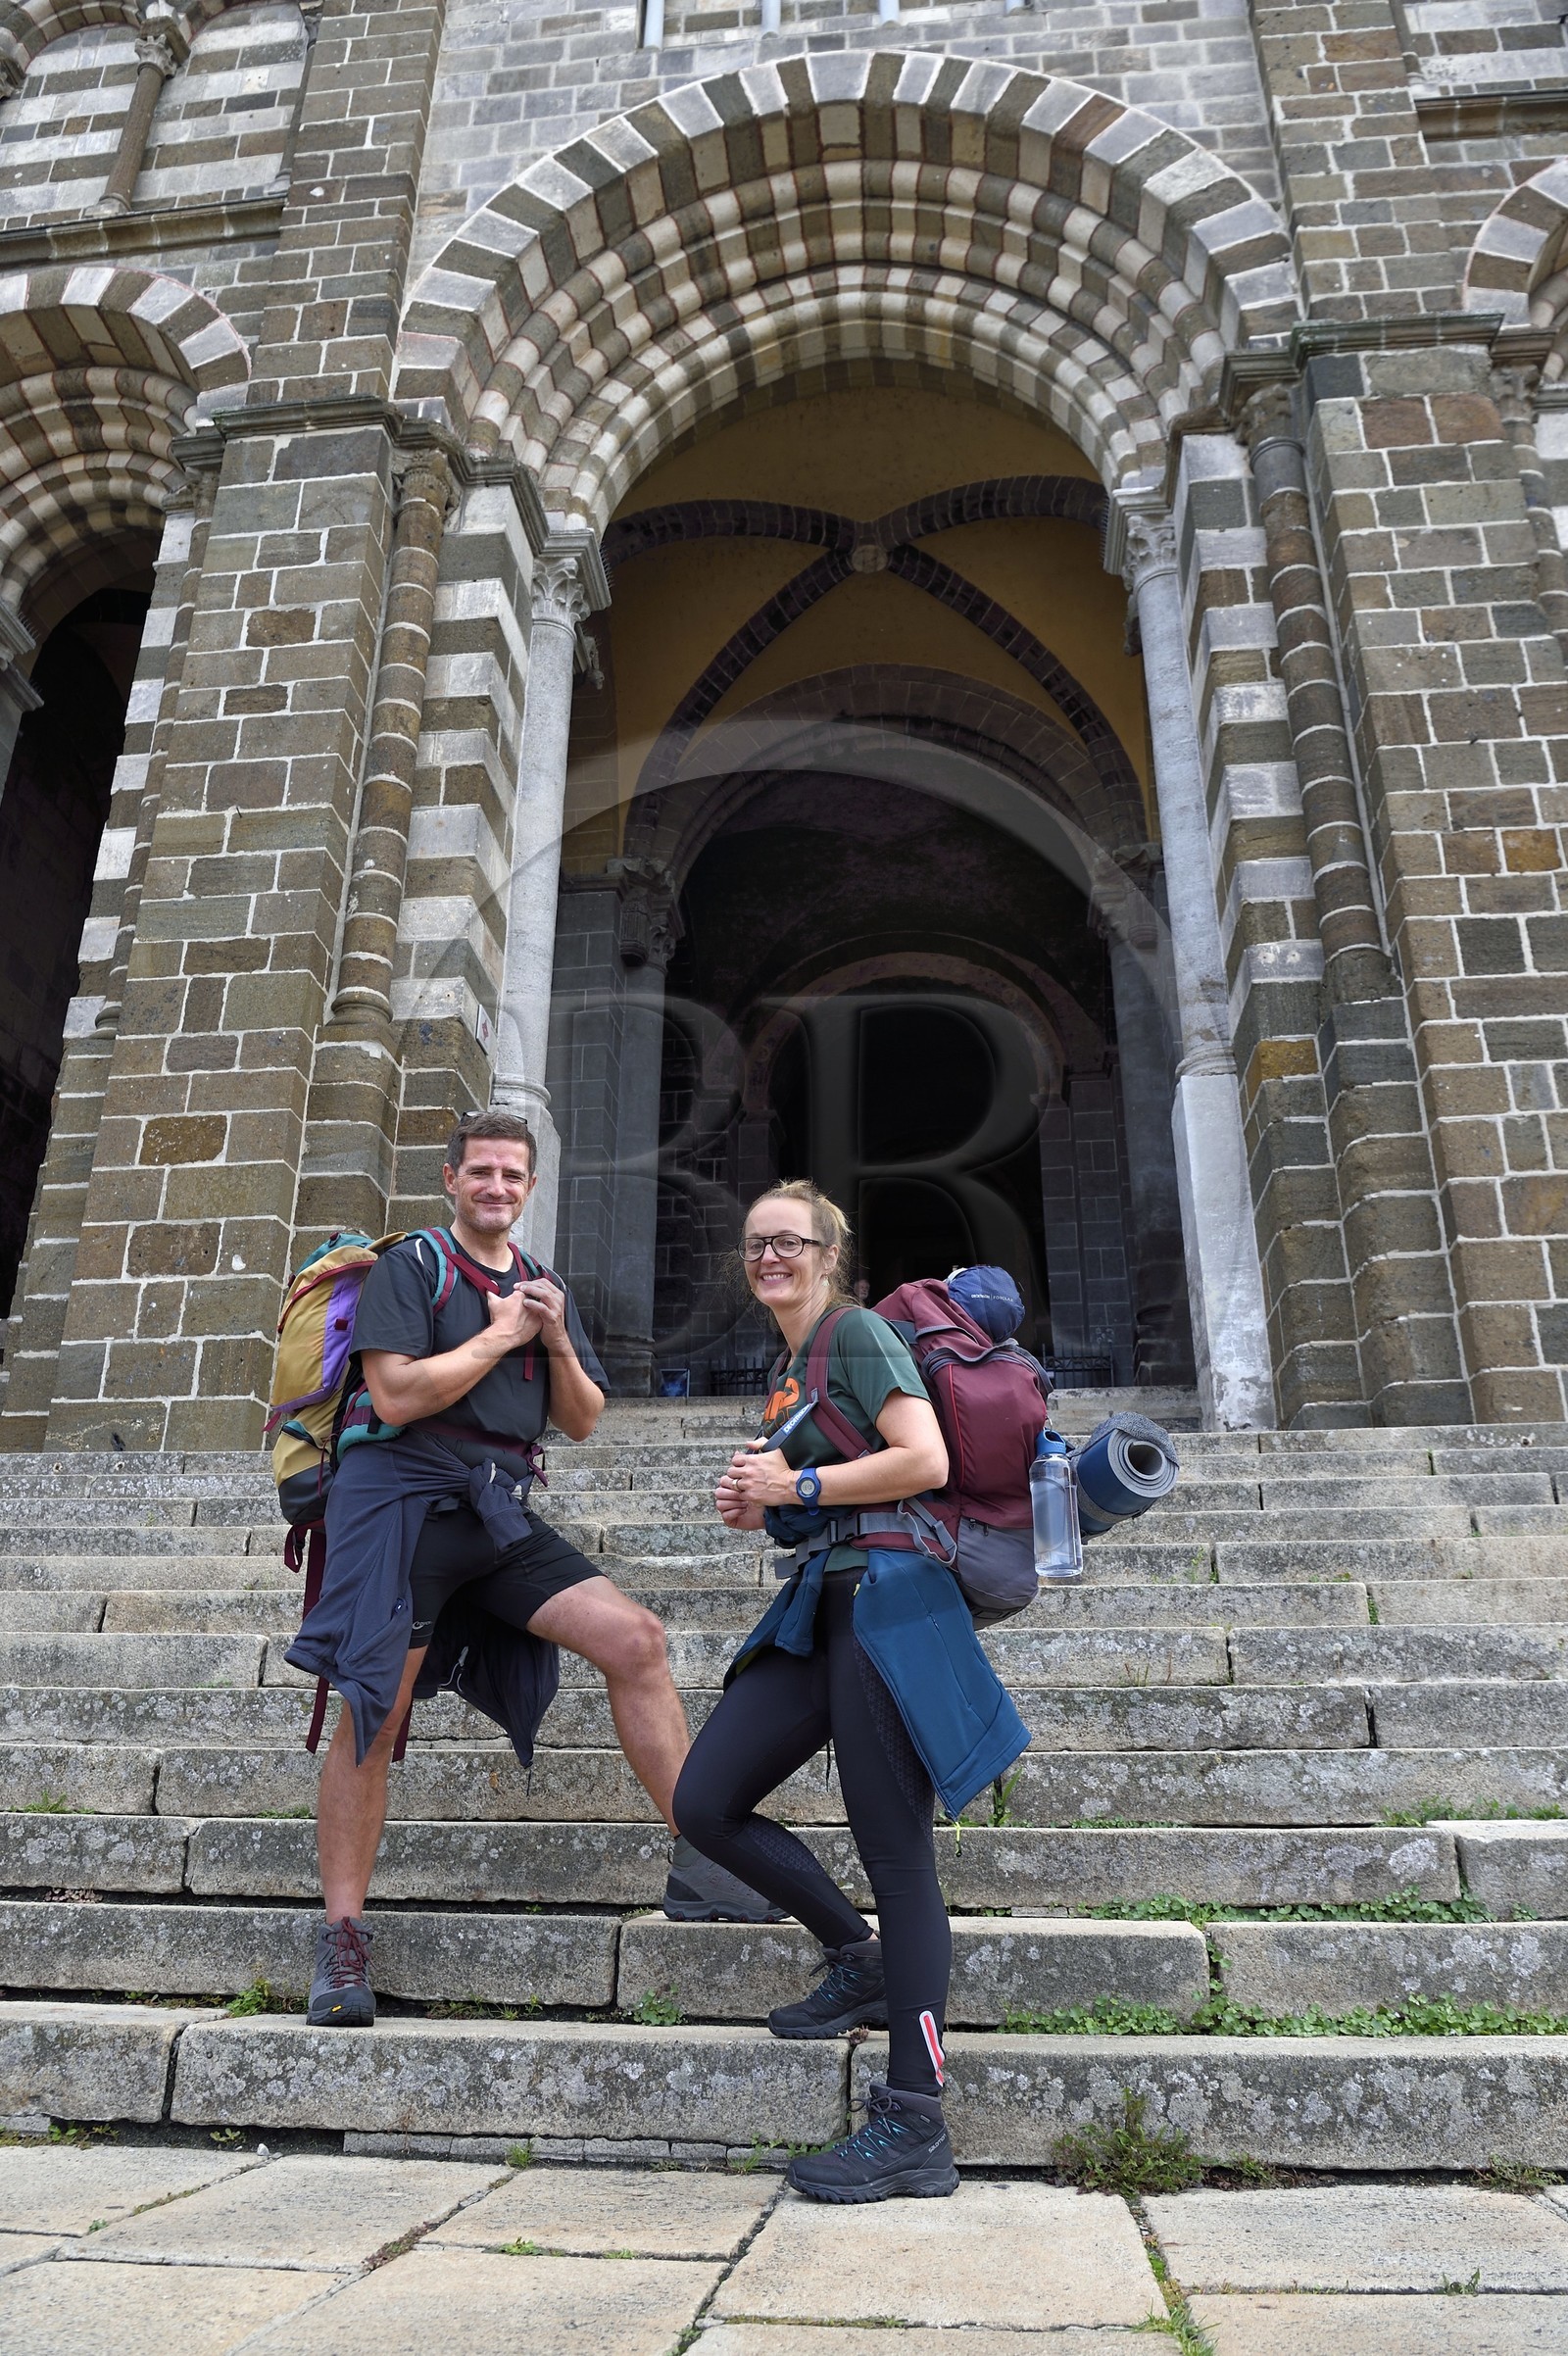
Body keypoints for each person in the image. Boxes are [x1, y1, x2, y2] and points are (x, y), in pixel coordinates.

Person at [292, 1107, 773, 2029]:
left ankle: (707, 1862)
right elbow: (395, 1390)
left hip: (494, 1506)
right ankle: (343, 1939)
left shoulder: (545, 1285)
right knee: (372, 1712)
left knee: (635, 1639)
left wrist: (549, 1336)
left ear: (531, 1187)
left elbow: (584, 1419)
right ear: (451, 1180)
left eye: (513, 1176)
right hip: (396, 1504)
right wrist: (500, 1337)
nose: (497, 1189)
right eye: (481, 1173)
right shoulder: (413, 1267)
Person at [672, 1180, 962, 2203]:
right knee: (704, 1800)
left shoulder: (859, 1333)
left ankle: (915, 2122)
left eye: (789, 1241)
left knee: (897, 1854)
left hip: (882, 1605)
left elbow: (922, 1457)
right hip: (819, 1602)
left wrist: (792, 1486)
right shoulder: (789, 1368)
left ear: (829, 1253)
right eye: (755, 1244)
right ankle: (856, 1957)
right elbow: (818, 1488)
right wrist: (763, 1504)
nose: (769, 1257)